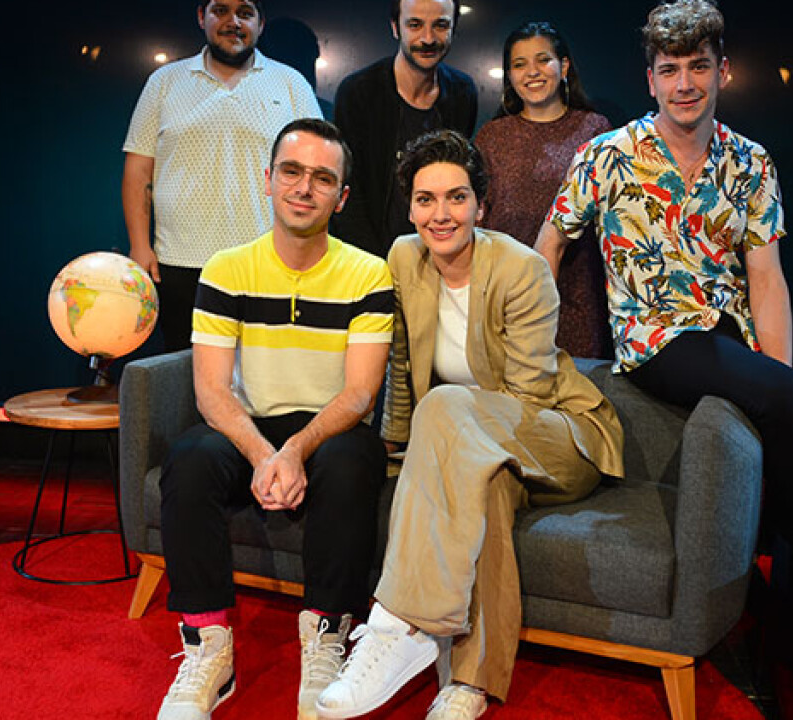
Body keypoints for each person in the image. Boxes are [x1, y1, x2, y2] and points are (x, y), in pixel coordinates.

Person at [536, 0, 793, 547]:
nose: (684, 84)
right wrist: (532, 344)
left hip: (734, 327)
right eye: (670, 70)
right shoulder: (604, 156)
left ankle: (761, 549)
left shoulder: (751, 162)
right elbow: (549, 246)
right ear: (650, 81)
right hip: (657, 336)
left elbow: (766, 278)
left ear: (722, 71)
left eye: (698, 66)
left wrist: (778, 380)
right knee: (781, 400)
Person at [316, 130, 623, 720]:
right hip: (475, 441)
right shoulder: (403, 258)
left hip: (558, 434)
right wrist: (404, 456)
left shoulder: (521, 268)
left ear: (481, 206)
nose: (441, 214)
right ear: (410, 209)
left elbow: (528, 396)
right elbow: (401, 367)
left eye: (457, 198)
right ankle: (467, 686)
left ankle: (397, 625)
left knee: (448, 409)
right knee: (485, 488)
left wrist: (444, 443)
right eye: (426, 199)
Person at [154, 119, 393, 720]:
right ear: (268, 180)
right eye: (291, 171)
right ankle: (208, 648)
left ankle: (327, 637)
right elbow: (211, 391)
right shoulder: (226, 268)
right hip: (250, 426)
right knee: (190, 458)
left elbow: (360, 394)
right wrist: (266, 454)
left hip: (327, 430)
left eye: (322, 178)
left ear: (341, 197)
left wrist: (296, 450)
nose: (303, 188)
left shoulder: (369, 273)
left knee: (354, 456)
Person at [122, 0, 322, 352]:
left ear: (260, 23)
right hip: (179, 265)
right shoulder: (164, 82)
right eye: (221, 11)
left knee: (263, 375)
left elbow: (318, 169)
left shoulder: (291, 84)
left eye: (245, 13)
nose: (234, 22)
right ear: (202, 16)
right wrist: (140, 246)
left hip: (268, 263)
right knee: (185, 373)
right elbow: (138, 172)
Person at [473, 21, 613, 360]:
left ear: (563, 66)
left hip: (577, 295)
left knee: (574, 386)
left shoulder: (595, 130)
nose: (532, 72)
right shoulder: (492, 136)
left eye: (543, 60)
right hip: (505, 292)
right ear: (509, 75)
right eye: (520, 64)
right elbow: (476, 216)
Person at [331, 0, 478, 258]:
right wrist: (373, 266)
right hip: (370, 259)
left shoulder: (462, 92)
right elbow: (348, 191)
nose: (428, 38)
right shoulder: (359, 92)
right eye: (415, 25)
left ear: (454, 28)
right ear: (395, 27)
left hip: (439, 258)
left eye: (440, 25)